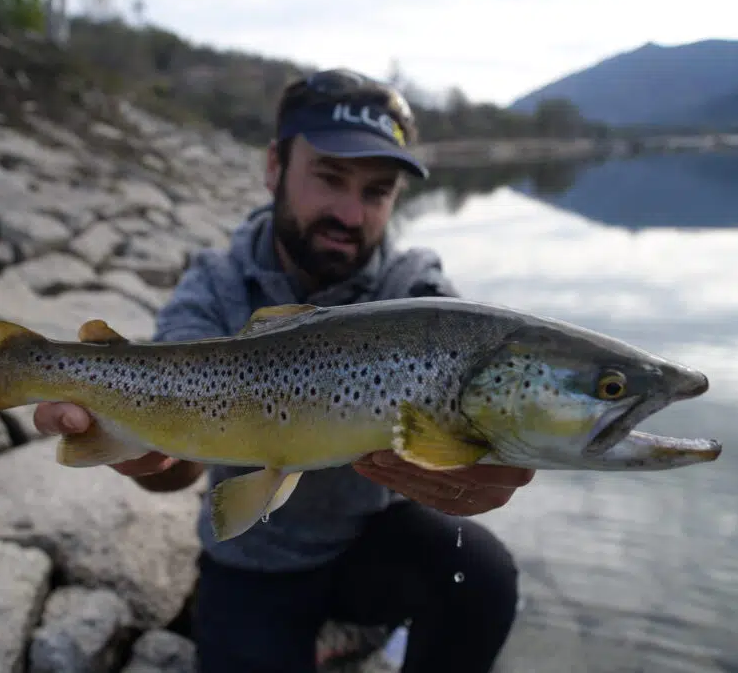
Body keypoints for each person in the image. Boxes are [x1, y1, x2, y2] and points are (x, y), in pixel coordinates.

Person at [34, 68, 535, 672]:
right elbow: (175, 468)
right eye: (330, 178)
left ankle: (353, 633)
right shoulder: (216, 286)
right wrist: (146, 452)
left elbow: (480, 408)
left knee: (481, 576)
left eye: (376, 192)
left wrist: (483, 464)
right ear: (275, 167)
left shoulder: (416, 296)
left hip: (372, 544)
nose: (350, 214)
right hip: (253, 555)